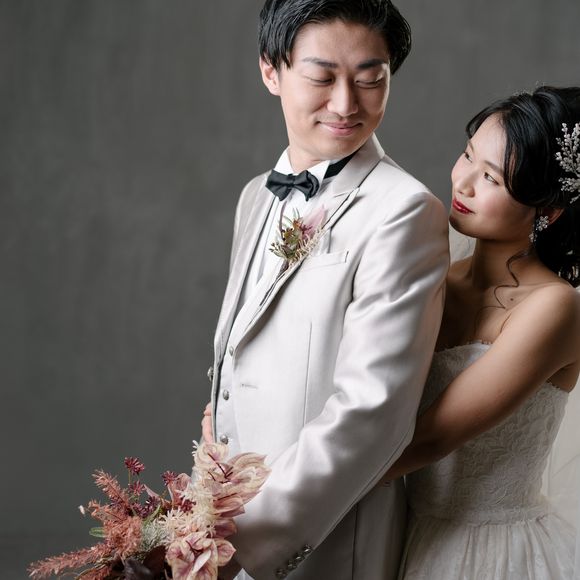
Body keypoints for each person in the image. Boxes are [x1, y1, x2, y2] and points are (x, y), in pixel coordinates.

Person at [201, 1, 449, 578]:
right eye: (321, 77)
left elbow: (373, 412)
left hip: (326, 542)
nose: (345, 104)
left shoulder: (403, 210)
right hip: (222, 524)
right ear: (271, 71)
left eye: (370, 79)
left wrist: (238, 544)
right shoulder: (255, 196)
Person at [383, 86, 580, 579]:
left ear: (548, 211)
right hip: (401, 529)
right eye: (468, 155)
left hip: (494, 553)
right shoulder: (436, 276)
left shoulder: (556, 307)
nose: (464, 183)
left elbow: (431, 439)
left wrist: (300, 493)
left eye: (491, 177)